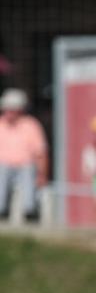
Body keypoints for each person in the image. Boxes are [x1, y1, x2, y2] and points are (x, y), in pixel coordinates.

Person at [0, 88, 47, 222]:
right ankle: (1, 211)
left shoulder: (31, 125)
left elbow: (41, 153)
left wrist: (42, 174)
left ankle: (30, 211)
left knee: (28, 172)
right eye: (7, 109)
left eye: (12, 109)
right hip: (3, 166)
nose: (8, 112)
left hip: (25, 166)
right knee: (2, 172)